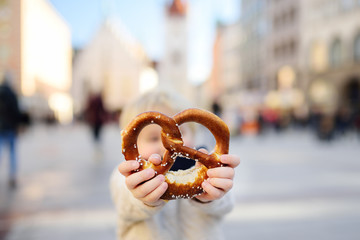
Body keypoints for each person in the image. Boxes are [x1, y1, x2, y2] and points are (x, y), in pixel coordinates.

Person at [110, 88, 240, 240]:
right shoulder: (127, 175)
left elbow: (226, 204)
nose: (166, 146)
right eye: (153, 138)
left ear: (193, 132)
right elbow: (125, 202)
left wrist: (214, 193)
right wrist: (141, 197)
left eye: (179, 134)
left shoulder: (209, 169)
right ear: (133, 142)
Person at [0, 73, 21, 188]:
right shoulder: (12, 94)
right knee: (12, 153)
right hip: (11, 128)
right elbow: (17, 112)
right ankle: (12, 176)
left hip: (1, 127)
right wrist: (18, 125)